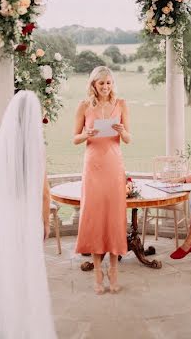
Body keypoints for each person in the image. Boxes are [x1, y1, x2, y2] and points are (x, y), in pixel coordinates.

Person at [0, 90, 57, 339]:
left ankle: (11, 327)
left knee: (10, 269)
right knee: (31, 271)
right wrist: (45, 222)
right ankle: (32, 327)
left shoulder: (2, 145)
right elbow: (44, 192)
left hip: (11, 219)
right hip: (29, 220)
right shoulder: (36, 149)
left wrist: (10, 206)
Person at [73, 66, 131, 294]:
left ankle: (114, 269)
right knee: (95, 215)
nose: (106, 87)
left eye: (108, 83)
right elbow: (74, 138)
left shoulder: (122, 104)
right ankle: (98, 269)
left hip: (114, 164)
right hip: (93, 166)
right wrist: (85, 135)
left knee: (114, 215)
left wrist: (122, 130)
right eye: (101, 84)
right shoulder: (84, 106)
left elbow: (128, 138)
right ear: (93, 85)